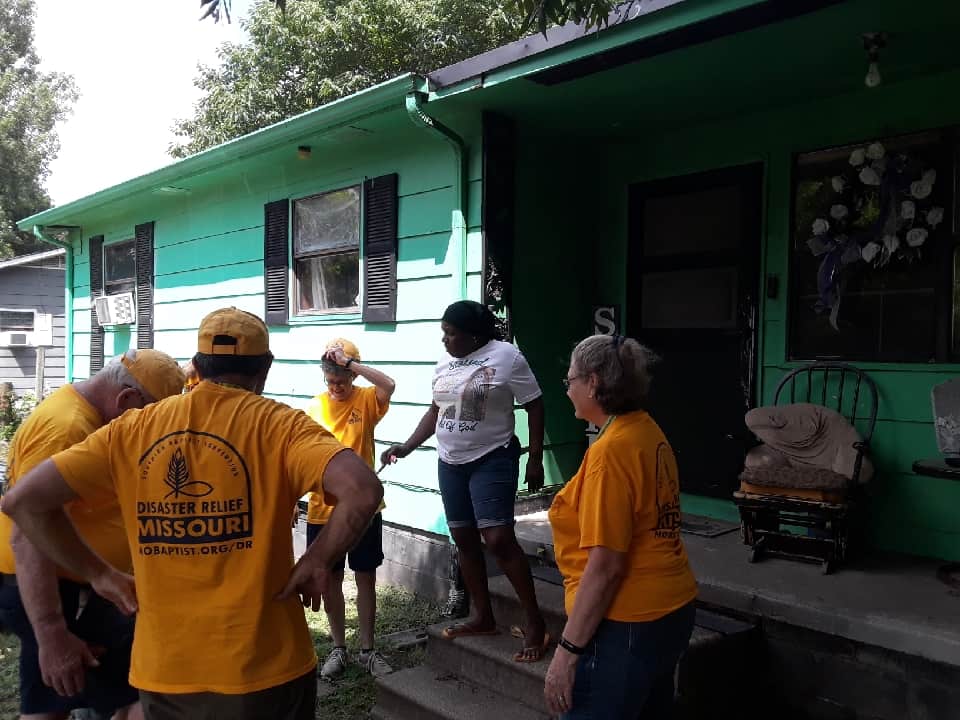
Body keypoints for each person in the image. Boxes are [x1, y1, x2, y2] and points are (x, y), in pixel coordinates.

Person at [1, 308, 384, 720]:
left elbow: (21, 502)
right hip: (265, 668)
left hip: (164, 672)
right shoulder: (282, 426)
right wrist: (317, 561)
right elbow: (362, 490)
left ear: (198, 367)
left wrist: (98, 574)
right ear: (265, 369)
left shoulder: (131, 430)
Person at [0, 348, 185, 720]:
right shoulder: (67, 427)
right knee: (58, 694)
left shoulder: (83, 413)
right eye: (150, 416)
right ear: (127, 399)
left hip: (78, 585)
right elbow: (27, 534)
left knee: (77, 695)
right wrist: (51, 632)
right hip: (44, 589)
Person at [381, 300, 549, 662]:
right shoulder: (445, 363)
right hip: (450, 462)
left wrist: (535, 458)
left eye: (451, 333)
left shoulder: (506, 356)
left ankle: (535, 623)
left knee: (499, 538)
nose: (444, 340)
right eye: (444, 332)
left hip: (492, 457)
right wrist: (408, 446)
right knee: (464, 538)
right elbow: (436, 409)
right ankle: (482, 616)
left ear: (473, 335)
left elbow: (534, 404)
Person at [544, 335, 698, 719]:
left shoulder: (610, 453)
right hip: (671, 608)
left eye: (570, 381)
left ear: (593, 383)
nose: (567, 391)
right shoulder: (646, 431)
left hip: (627, 623)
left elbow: (607, 566)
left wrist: (567, 651)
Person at [305, 338, 395, 680]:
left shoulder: (367, 399)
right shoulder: (314, 408)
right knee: (330, 580)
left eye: (341, 381)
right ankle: (339, 648)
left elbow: (389, 384)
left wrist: (350, 364)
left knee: (366, 577)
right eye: (330, 381)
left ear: (353, 377)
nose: (336, 387)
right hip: (322, 510)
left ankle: (368, 649)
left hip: (363, 509)